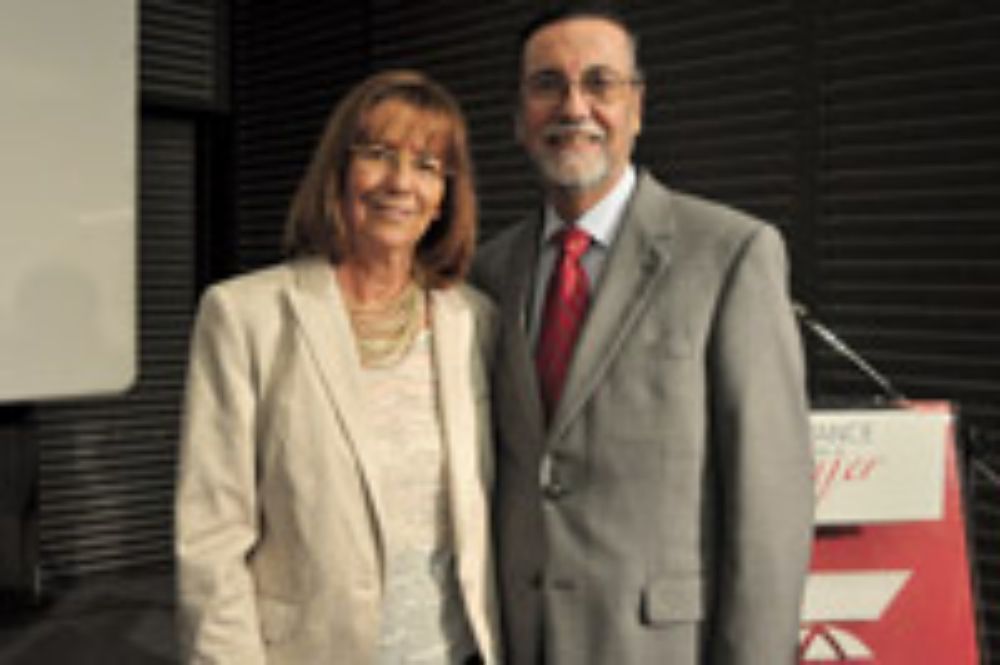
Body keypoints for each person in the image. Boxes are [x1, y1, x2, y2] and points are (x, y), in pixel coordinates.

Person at [471, 4, 814, 664]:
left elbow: (770, 505)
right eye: (548, 85)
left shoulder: (730, 252)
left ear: (637, 106)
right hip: (517, 638)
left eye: (599, 83)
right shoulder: (489, 272)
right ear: (518, 116)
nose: (574, 106)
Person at [176, 70, 500, 665]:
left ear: (445, 196)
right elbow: (212, 540)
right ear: (339, 171)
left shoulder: (474, 322)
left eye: (428, 166)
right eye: (379, 155)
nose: (401, 183)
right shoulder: (246, 316)